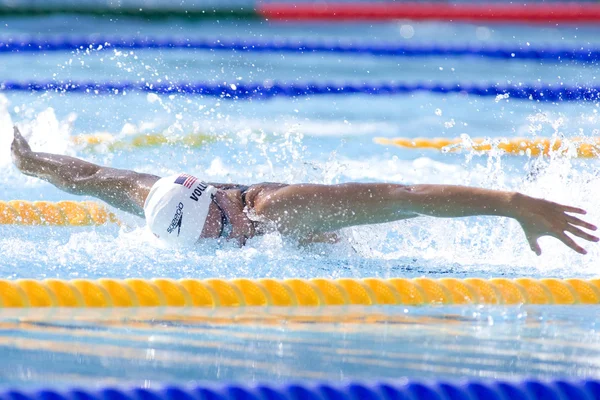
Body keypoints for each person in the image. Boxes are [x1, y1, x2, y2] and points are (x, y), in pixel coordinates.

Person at [10, 126, 599, 254]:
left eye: (220, 226)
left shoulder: (283, 211)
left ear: (218, 196)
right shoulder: (158, 195)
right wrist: (31, 162)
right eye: (211, 238)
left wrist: (513, 206)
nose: (226, 239)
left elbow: (402, 195)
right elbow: (89, 177)